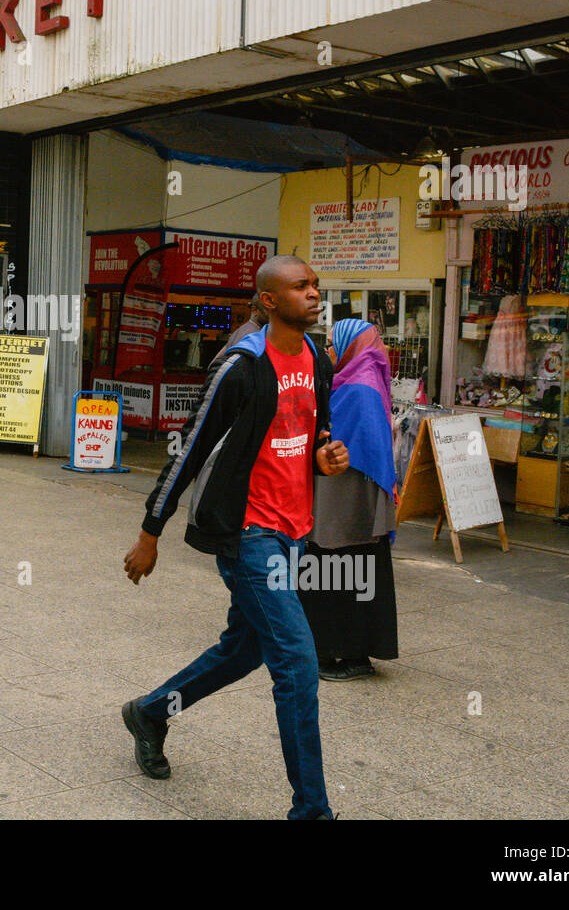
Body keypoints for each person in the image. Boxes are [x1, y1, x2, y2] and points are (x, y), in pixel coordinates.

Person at [120, 255, 349, 821]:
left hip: (295, 529)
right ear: (269, 301)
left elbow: (307, 432)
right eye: (301, 287)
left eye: (316, 285)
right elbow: (189, 449)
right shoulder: (240, 368)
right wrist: (151, 531)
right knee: (296, 662)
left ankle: (151, 712)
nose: (315, 294)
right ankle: (312, 812)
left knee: (245, 649)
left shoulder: (318, 359)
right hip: (249, 533)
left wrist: (323, 456)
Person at [301, 318, 400, 681]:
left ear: (349, 346)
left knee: (334, 572)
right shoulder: (356, 379)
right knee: (350, 574)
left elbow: (355, 444)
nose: (328, 351)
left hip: (346, 500)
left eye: (332, 344)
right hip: (351, 501)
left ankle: (336, 654)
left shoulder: (359, 388)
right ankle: (350, 652)